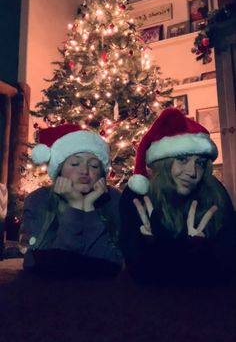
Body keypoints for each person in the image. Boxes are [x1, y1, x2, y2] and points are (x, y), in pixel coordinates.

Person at [119, 108, 236, 285]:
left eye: (200, 163)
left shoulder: (214, 193)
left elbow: (228, 268)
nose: (192, 172)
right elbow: (139, 274)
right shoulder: (138, 195)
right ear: (164, 163)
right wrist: (159, 246)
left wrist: (197, 249)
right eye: (182, 159)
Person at [20, 124, 123, 278]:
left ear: (101, 174)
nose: (85, 171)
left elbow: (110, 263)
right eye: (75, 163)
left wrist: (88, 207)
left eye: (94, 165)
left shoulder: (113, 198)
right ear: (59, 169)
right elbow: (43, 264)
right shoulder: (38, 200)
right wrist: (75, 206)